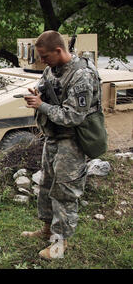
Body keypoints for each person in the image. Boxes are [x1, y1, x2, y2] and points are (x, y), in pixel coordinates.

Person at [22, 30, 101, 259]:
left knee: (65, 191)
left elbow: (74, 116)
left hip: (73, 140)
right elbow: (46, 84)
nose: (42, 61)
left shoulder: (82, 75)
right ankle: (47, 230)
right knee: (46, 185)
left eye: (45, 56)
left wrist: (41, 106)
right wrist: (38, 93)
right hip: (54, 137)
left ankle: (59, 245)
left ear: (59, 50)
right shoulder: (52, 68)